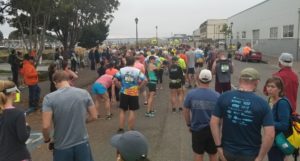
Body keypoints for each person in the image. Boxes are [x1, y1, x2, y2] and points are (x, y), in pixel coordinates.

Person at [210, 67, 275, 161]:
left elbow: (213, 123)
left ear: (240, 80)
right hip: (250, 155)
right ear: (256, 82)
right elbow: (270, 135)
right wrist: (260, 157)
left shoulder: (224, 97)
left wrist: (219, 147)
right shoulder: (263, 104)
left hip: (227, 152)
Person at [42, 70, 97, 161]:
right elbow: (94, 116)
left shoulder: (49, 98)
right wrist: (83, 120)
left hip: (62, 146)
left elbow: (45, 126)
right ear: (68, 80)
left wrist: (47, 140)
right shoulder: (84, 93)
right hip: (82, 143)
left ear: (55, 82)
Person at [183, 69, 219, 161]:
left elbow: (186, 110)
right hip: (212, 130)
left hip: (197, 129)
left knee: (198, 154)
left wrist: (188, 124)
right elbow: (220, 116)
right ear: (210, 80)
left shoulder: (191, 94)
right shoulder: (217, 95)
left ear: (199, 79)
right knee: (213, 154)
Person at [114, 56, 147, 133]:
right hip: (134, 92)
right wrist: (139, 87)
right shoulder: (137, 71)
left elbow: (115, 80)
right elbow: (145, 80)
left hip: (124, 92)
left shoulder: (121, 70)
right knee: (132, 110)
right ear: (133, 62)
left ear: (126, 62)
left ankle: (121, 128)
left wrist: (120, 87)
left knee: (123, 110)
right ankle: (130, 129)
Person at [0, 80, 31, 161]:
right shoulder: (18, 113)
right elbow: (23, 137)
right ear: (13, 94)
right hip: (18, 155)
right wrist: (27, 127)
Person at [265, 77, 291, 161]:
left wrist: (267, 122)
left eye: (272, 87)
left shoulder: (282, 103)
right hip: (271, 138)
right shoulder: (270, 99)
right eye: (268, 86)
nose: (269, 89)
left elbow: (284, 125)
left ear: (279, 89)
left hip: (279, 141)